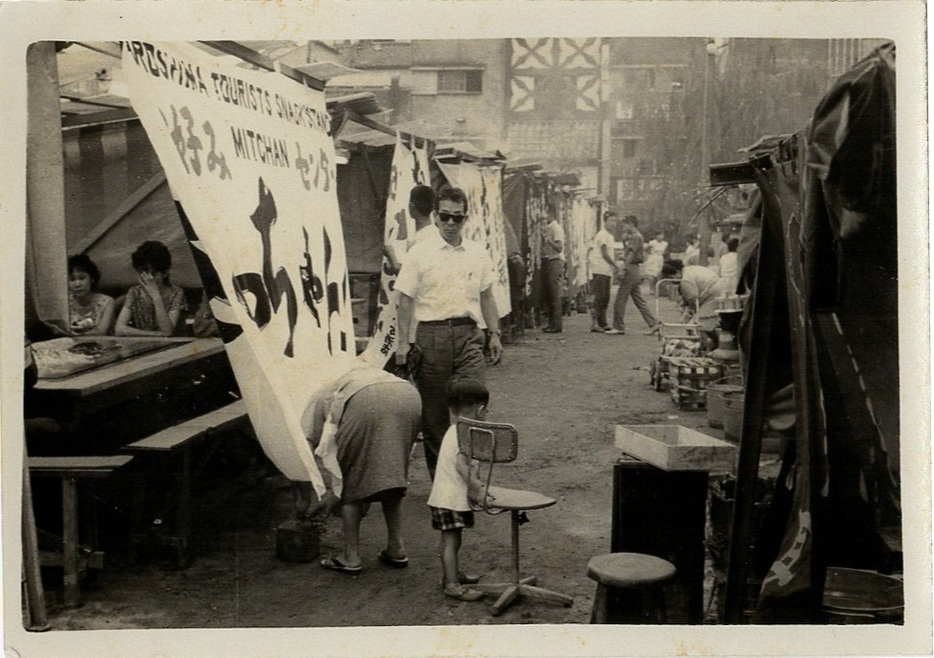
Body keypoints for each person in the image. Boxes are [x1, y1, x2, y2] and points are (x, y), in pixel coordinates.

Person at [394, 187, 503, 480]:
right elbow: (404, 299)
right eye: (445, 217)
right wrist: (403, 342)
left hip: (469, 335)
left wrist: (494, 333)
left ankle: (472, 478)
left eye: (458, 218)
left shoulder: (477, 253)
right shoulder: (420, 253)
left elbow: (487, 296)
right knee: (435, 418)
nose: (451, 224)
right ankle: (443, 485)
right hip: (432, 337)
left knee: (474, 408)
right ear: (435, 217)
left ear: (465, 218)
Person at [301, 365, 422, 573]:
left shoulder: (316, 397)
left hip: (366, 398)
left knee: (351, 483)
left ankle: (351, 556)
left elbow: (306, 448)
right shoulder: (344, 377)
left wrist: (304, 499)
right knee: (391, 477)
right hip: (408, 393)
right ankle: (396, 548)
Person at [427, 377, 494, 602]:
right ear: (481, 409)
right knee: (451, 541)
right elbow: (460, 465)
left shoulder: (454, 429)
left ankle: (451, 575)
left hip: (446, 496)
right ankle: (452, 585)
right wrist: (479, 488)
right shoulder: (464, 434)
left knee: (451, 540)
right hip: (450, 498)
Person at [114, 241, 188, 337]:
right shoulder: (134, 292)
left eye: (152, 274)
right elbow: (119, 329)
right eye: (142, 273)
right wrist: (154, 334)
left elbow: (167, 332)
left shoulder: (176, 293)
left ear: (165, 273)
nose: (147, 279)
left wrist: (155, 296)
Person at [606, 215, 659, 336]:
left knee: (620, 299)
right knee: (639, 300)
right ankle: (653, 323)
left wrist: (624, 267)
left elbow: (631, 254)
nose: (624, 227)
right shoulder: (635, 237)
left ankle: (618, 326)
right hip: (635, 269)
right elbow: (629, 251)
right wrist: (625, 242)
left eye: (625, 224)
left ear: (631, 224)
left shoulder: (636, 236)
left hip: (630, 269)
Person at [661, 259, 733, 346]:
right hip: (717, 292)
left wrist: (692, 312)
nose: (673, 280)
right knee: (704, 323)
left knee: (694, 325)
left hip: (714, 296)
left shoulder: (685, 280)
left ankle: (708, 346)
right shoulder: (689, 269)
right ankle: (714, 344)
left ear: (677, 272)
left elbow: (692, 298)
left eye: (672, 277)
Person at [383, 185, 440, 276]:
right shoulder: (434, 233)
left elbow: (410, 276)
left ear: (411, 206)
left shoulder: (423, 239)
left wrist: (391, 255)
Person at [67, 254, 115, 336]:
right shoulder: (65, 303)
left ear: (92, 279)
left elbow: (101, 332)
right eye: (72, 279)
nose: (77, 284)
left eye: (82, 278)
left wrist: (78, 335)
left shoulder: (106, 302)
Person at [588, 211, 618, 332]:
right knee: (598, 297)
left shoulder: (610, 236)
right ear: (605, 221)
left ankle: (603, 322)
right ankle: (594, 323)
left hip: (606, 270)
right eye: (611, 220)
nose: (614, 223)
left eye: (615, 221)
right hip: (599, 269)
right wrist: (615, 264)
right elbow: (605, 254)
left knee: (605, 297)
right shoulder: (602, 235)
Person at [540, 213, 565, 333]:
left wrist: (548, 241)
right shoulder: (550, 227)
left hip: (555, 261)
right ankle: (552, 323)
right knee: (550, 293)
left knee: (554, 293)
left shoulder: (556, 228)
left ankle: (556, 325)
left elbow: (560, 248)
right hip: (551, 260)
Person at [642, 231, 668, 297]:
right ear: (656, 236)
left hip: (660, 258)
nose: (660, 237)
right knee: (652, 275)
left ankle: (657, 290)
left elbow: (666, 251)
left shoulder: (665, 243)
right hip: (653, 258)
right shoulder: (652, 242)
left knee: (659, 274)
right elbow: (645, 249)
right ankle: (651, 290)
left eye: (662, 235)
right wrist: (650, 253)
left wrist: (662, 255)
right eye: (659, 235)